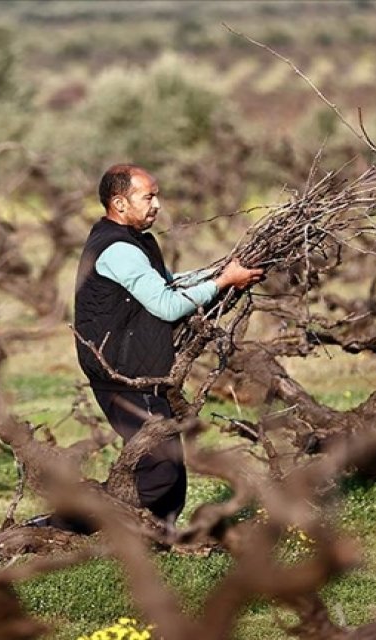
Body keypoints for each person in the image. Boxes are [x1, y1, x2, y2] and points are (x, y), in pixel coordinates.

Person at [30, 163, 263, 532]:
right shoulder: (119, 250)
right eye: (149, 197)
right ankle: (63, 526)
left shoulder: (137, 241)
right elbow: (168, 305)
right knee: (160, 468)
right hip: (120, 371)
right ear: (120, 203)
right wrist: (222, 283)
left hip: (136, 366)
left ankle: (156, 534)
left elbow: (167, 286)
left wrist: (221, 274)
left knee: (168, 468)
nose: (158, 205)